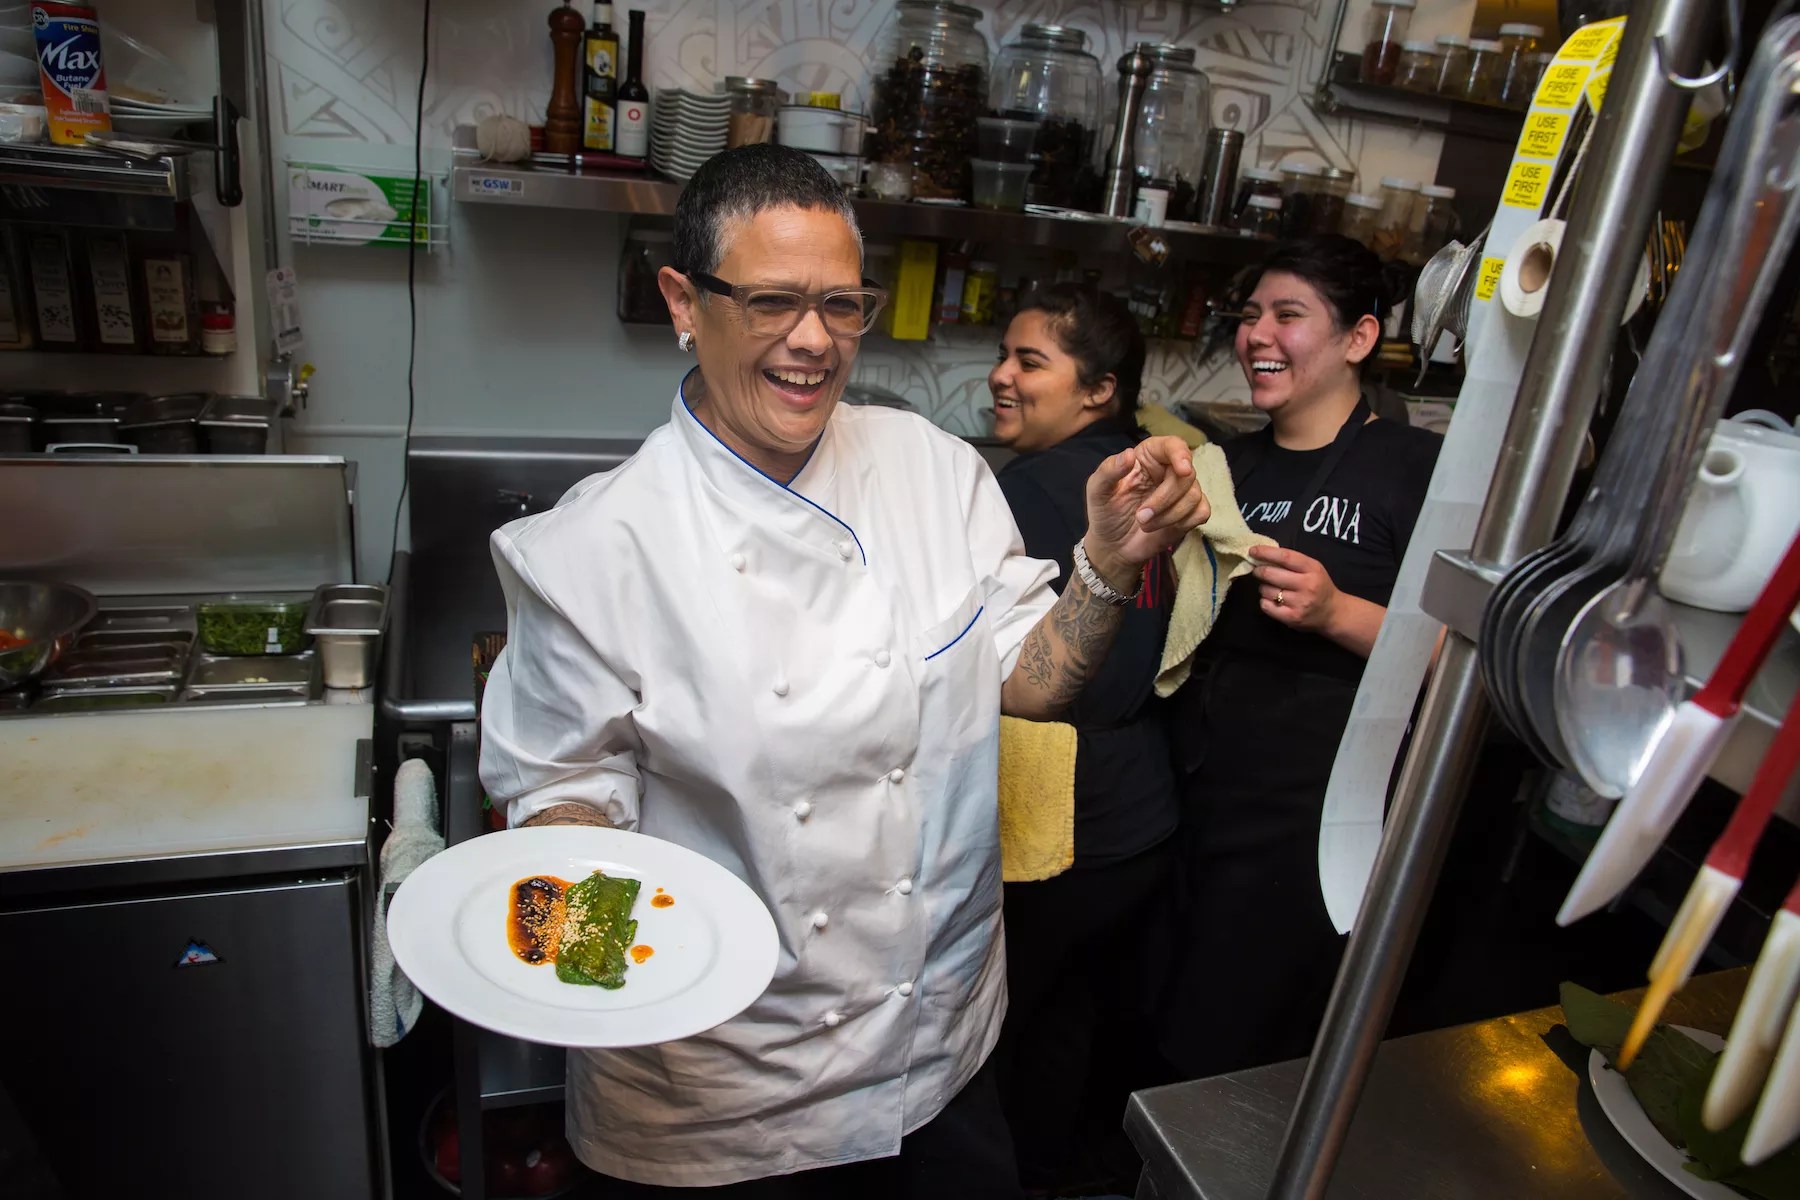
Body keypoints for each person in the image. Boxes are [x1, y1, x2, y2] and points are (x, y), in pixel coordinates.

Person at [477, 143, 1211, 1198]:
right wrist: (591, 975)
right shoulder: (595, 549)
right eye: (773, 301)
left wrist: (1107, 561)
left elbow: (1031, 683)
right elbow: (563, 800)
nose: (814, 340)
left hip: (937, 1054)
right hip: (719, 1096)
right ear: (684, 301)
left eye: (841, 305)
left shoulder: (935, 470)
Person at [1156, 235, 1442, 1080]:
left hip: (1317, 814)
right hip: (1197, 788)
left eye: (1289, 315)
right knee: (1166, 1011)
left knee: (1248, 1036)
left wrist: (1336, 611)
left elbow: (1458, 653)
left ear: (1359, 337)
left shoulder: (1414, 467)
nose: (1258, 336)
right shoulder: (1226, 466)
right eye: (1251, 316)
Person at [984, 284, 1179, 1194]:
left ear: (1099, 388)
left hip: (1063, 816)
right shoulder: (1152, 474)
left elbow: (1020, 668)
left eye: (1030, 361)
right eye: (1004, 354)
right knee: (1074, 1031)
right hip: (1143, 806)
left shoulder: (1026, 488)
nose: (1001, 376)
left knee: (1006, 1039)